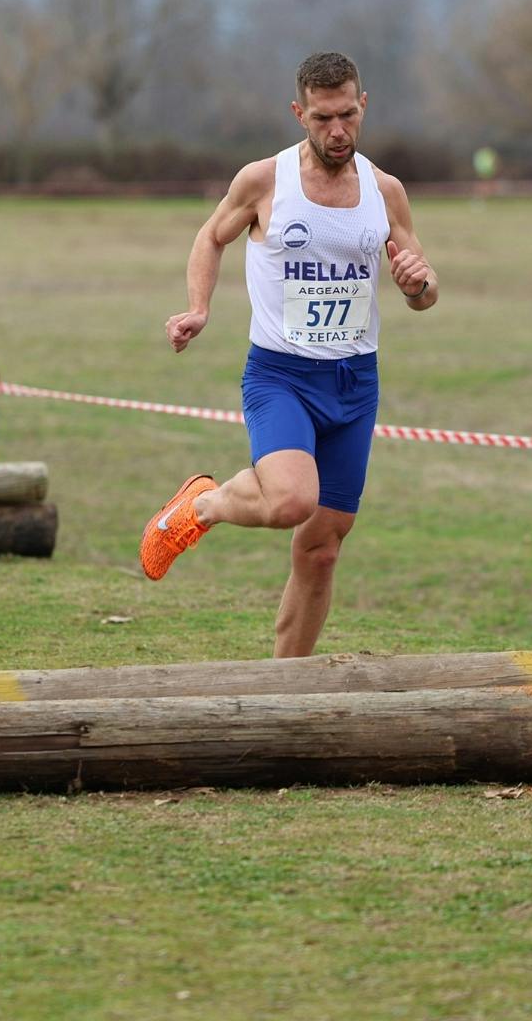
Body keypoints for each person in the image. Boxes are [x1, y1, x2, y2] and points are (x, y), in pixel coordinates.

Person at [139, 52, 439, 658]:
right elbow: (210, 235)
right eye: (324, 117)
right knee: (292, 499)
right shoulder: (264, 181)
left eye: (348, 115)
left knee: (322, 548)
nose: (338, 131)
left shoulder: (385, 192)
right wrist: (198, 308)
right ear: (299, 113)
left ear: (363, 106)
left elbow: (423, 291)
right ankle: (202, 504)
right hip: (281, 375)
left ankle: (287, 689)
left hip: (355, 382)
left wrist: (417, 284)